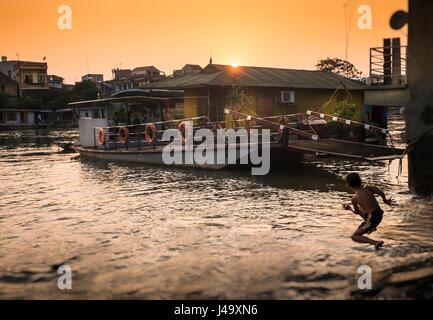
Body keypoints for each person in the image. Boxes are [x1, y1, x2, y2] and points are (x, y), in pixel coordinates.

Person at [342, 173, 394, 250]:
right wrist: (385, 200)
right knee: (361, 207)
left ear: (348, 185)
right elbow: (380, 192)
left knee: (355, 236)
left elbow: (356, 212)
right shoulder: (368, 188)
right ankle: (371, 227)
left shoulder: (354, 199)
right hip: (379, 213)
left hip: (371, 219)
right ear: (360, 181)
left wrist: (349, 208)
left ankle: (375, 242)